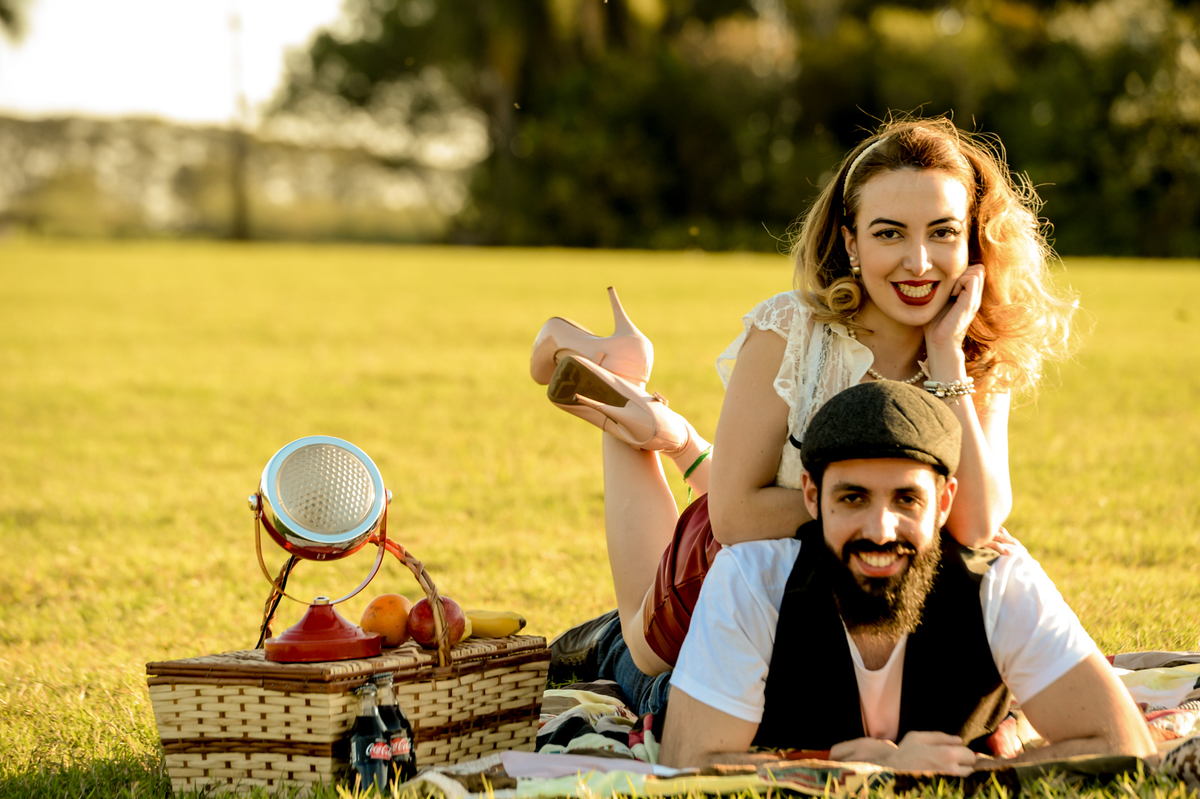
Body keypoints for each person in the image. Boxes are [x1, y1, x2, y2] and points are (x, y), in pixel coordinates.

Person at [531, 116, 1077, 714]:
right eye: (890, 234)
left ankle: (665, 426)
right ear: (851, 242)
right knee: (637, 653)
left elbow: (974, 523)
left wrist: (946, 359)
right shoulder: (790, 332)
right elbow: (736, 516)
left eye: (943, 233)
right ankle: (628, 390)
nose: (919, 262)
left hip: (851, 605)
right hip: (721, 589)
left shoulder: (970, 352)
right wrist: (887, 511)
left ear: (972, 241)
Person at [658, 380, 1155, 771]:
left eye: (906, 499)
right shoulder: (751, 579)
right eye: (853, 497)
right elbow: (689, 762)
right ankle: (645, 427)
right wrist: (871, 767)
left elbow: (1124, 745)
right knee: (624, 650)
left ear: (944, 502)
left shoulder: (1000, 584)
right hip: (668, 651)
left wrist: (952, 770)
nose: (880, 529)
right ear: (812, 497)